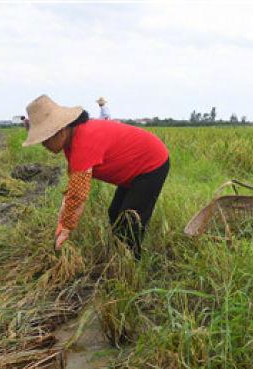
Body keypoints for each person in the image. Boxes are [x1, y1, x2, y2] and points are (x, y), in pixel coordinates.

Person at [22, 94, 169, 259]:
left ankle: (131, 265)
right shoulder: (71, 142)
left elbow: (78, 195)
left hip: (151, 164)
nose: (44, 145)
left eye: (45, 139)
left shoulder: (84, 142)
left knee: (129, 220)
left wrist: (65, 229)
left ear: (60, 131)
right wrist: (62, 222)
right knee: (115, 213)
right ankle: (121, 255)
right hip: (135, 169)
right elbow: (73, 186)